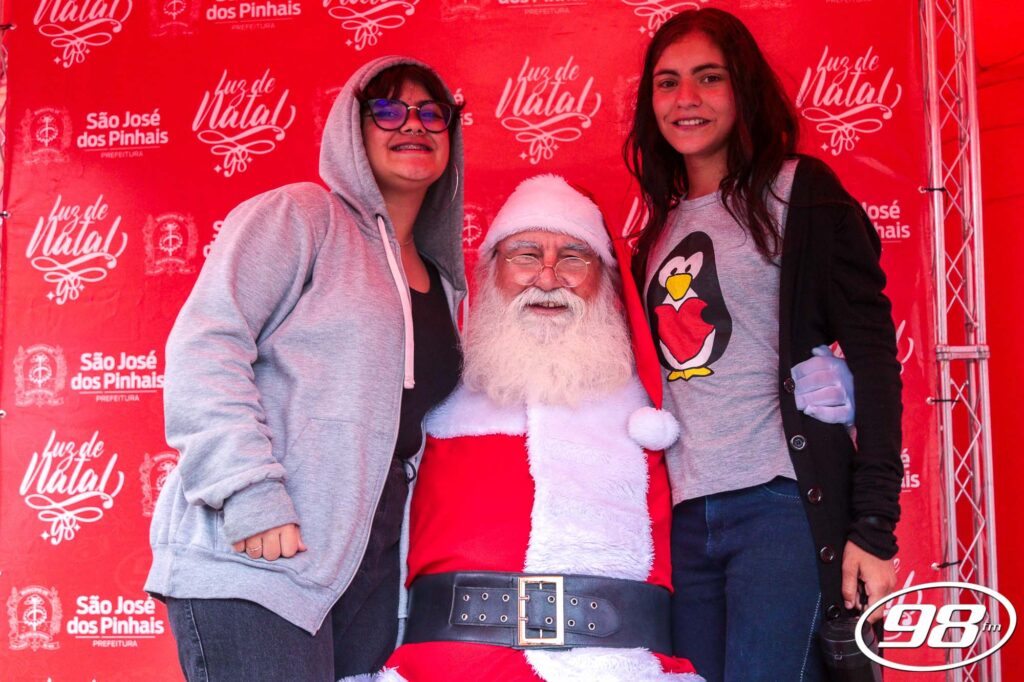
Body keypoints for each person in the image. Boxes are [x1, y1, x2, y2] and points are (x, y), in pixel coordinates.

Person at [144, 56, 466, 682]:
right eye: (388, 110)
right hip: (259, 557)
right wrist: (250, 495)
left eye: (432, 113)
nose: (413, 124)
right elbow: (207, 347)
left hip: (368, 576)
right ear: (351, 127)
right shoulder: (301, 217)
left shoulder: (444, 283)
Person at [624, 8, 903, 681]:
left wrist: (873, 526)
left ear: (742, 87)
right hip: (685, 521)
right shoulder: (653, 237)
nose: (686, 99)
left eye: (708, 77)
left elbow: (873, 359)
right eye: (667, 82)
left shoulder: (800, 193)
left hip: (780, 505)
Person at [369, 174, 703, 682]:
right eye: (525, 256)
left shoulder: (658, 397)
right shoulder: (435, 392)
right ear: (490, 272)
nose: (548, 278)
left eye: (574, 257)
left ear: (605, 279)